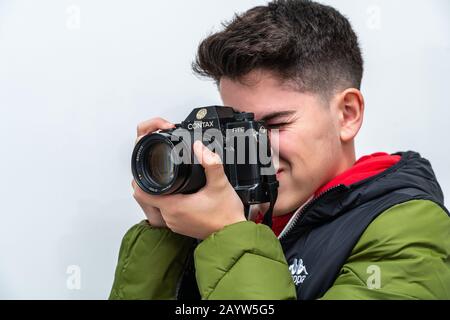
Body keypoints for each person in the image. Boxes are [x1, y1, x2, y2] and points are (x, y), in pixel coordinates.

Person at [109, 0, 450, 300]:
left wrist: (228, 234)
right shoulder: (231, 215)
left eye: (274, 124)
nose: (252, 149)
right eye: (240, 127)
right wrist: (165, 233)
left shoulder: (410, 230)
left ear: (347, 114)